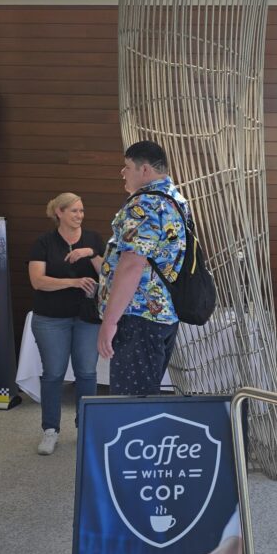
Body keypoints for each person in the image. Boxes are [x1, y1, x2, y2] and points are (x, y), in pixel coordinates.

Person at [97, 140, 188, 395]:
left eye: (127, 167)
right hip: (163, 313)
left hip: (139, 315)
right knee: (145, 395)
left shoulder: (145, 204)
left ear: (145, 169)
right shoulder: (175, 199)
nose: (122, 172)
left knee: (131, 401)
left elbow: (131, 265)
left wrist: (110, 322)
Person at [28, 193, 104, 455]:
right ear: (59, 212)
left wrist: (91, 253)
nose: (79, 215)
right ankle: (50, 430)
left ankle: (85, 428)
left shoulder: (93, 239)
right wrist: (73, 282)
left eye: (81, 211)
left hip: (88, 318)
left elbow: (108, 274)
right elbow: (38, 281)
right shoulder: (44, 242)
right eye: (73, 211)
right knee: (53, 374)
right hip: (50, 318)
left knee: (87, 373)